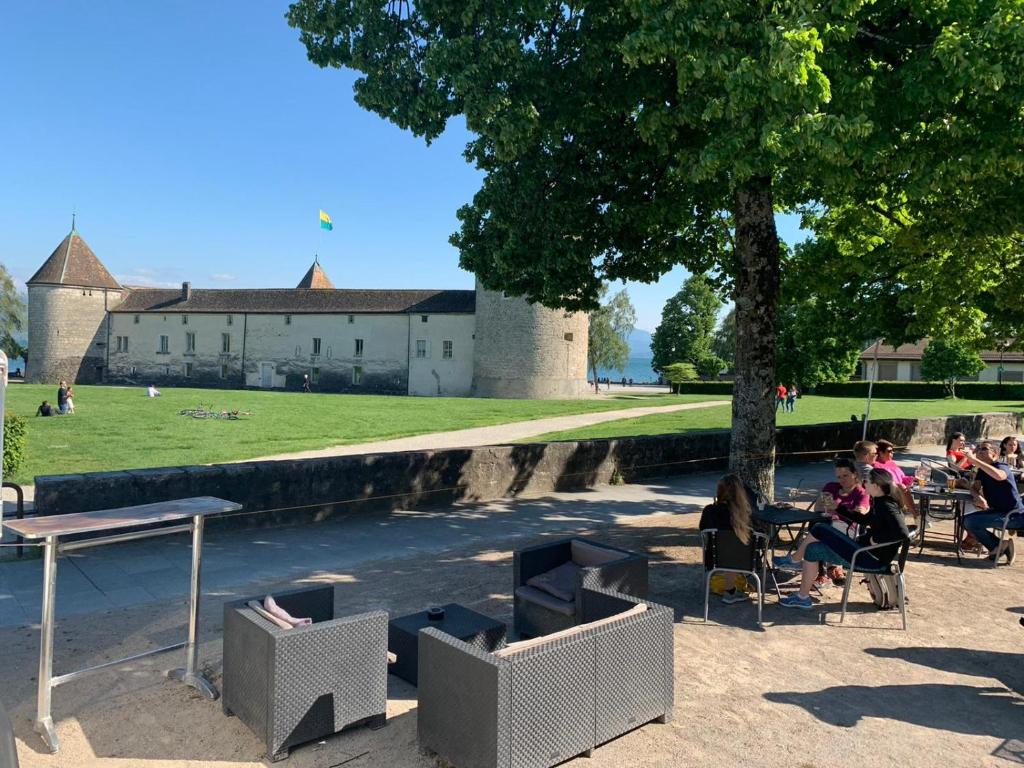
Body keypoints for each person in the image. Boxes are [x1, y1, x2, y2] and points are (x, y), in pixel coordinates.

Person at [777, 468, 911, 609]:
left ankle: (794, 560)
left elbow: (903, 533)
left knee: (820, 528)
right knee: (812, 549)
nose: (864, 483)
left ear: (876, 486)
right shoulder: (879, 500)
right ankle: (802, 597)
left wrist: (876, 539)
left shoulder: (886, 505)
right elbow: (865, 520)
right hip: (866, 551)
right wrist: (839, 508)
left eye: (867, 481)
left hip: (868, 557)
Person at [963, 441, 1024, 564]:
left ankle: (1000, 546)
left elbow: (999, 476)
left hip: (1014, 515)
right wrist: (978, 496)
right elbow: (975, 488)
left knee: (970, 521)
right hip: (997, 512)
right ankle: (1000, 546)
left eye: (984, 449)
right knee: (964, 520)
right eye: (979, 448)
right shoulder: (982, 471)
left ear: (995, 454)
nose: (980, 450)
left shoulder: (1001, 465)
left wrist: (974, 461)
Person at [699, 474, 754, 604]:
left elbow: (703, 530)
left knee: (728, 550)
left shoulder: (709, 511)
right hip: (745, 562)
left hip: (714, 559)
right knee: (735, 549)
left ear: (719, 491)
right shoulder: (744, 516)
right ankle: (731, 589)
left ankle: (730, 590)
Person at [873, 439, 918, 516]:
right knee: (902, 486)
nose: (892, 453)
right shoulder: (876, 465)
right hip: (888, 492)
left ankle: (916, 515)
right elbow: (883, 482)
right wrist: (898, 485)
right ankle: (916, 515)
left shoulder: (892, 463)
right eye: (889, 451)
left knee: (906, 487)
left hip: (900, 491)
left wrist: (913, 478)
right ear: (881, 453)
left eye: (892, 451)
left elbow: (902, 478)